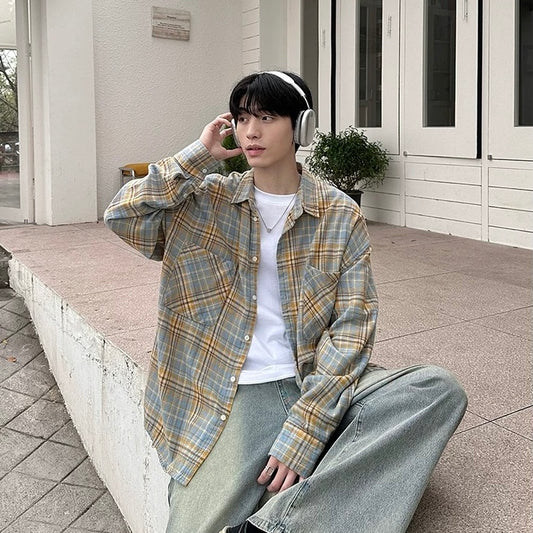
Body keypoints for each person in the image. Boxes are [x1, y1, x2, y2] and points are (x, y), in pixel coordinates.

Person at [104, 71, 467, 533]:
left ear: (301, 126)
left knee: (434, 390)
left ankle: (271, 527)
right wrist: (198, 156)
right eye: (241, 118)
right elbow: (121, 216)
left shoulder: (339, 214)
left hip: (310, 377)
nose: (250, 131)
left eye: (267, 117)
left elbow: (353, 325)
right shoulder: (204, 202)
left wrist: (308, 425)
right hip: (229, 392)